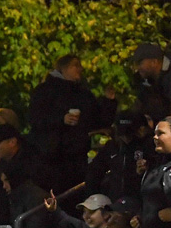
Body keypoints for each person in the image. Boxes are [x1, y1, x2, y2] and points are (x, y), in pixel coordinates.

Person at [28, 54, 115, 193]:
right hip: (49, 162)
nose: (80, 69)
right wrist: (61, 120)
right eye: (75, 65)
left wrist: (109, 102)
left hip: (76, 160)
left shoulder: (83, 94)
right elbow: (36, 119)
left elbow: (98, 121)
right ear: (63, 68)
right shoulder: (44, 91)